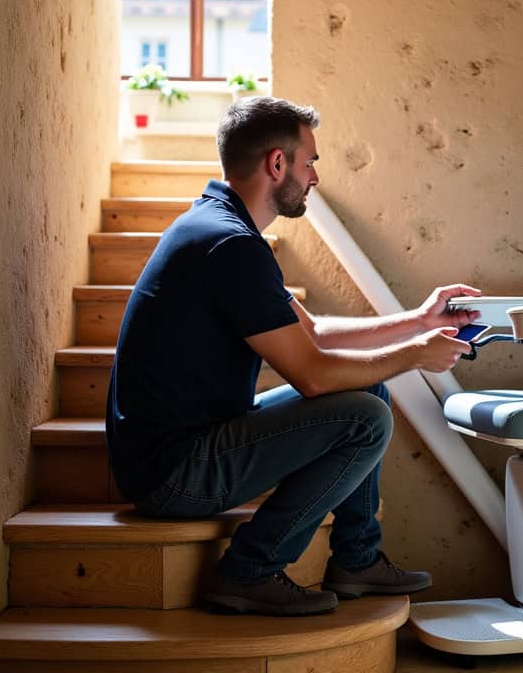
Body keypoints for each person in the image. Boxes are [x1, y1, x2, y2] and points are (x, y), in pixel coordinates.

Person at [105, 96, 479, 616]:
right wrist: (416, 353)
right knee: (364, 417)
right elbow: (313, 377)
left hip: (188, 451)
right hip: (174, 475)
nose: (315, 178)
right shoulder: (228, 246)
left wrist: (419, 320)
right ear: (277, 164)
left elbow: (316, 334)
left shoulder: (223, 229)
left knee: (366, 390)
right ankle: (249, 570)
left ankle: (356, 561)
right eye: (311, 163)